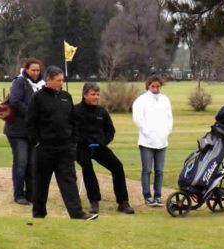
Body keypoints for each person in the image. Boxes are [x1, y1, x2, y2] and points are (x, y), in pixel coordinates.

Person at [26, 65, 96, 220]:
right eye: (58, 80)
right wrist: (36, 142)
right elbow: (30, 123)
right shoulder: (37, 98)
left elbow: (73, 120)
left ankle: (77, 213)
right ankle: (39, 214)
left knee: (69, 181)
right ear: (48, 80)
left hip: (65, 148)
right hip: (44, 149)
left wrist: (73, 141)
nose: (61, 83)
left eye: (62, 80)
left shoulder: (66, 96)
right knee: (41, 183)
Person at [74, 82, 135, 215]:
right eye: (93, 94)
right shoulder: (75, 111)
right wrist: (84, 142)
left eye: (97, 94)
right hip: (81, 148)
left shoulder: (102, 111)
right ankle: (94, 201)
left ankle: (123, 202)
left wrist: (102, 142)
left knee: (117, 166)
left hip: (99, 147)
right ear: (85, 95)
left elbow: (110, 131)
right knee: (87, 167)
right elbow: (72, 132)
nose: (96, 97)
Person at [4, 58, 45, 205]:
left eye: (38, 70)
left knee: (32, 164)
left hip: (33, 131)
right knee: (21, 162)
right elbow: (15, 101)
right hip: (17, 130)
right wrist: (32, 114)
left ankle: (31, 194)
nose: (35, 73)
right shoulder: (19, 82)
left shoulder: (42, 84)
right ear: (26, 69)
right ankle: (19, 194)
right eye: (32, 70)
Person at [132, 75, 173, 207]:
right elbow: (138, 120)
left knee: (159, 171)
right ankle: (147, 196)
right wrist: (148, 134)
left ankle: (158, 196)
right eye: (153, 86)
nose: (155, 89)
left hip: (162, 141)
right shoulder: (141, 100)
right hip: (146, 142)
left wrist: (166, 133)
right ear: (148, 86)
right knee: (147, 170)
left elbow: (169, 119)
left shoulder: (165, 100)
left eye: (158, 86)